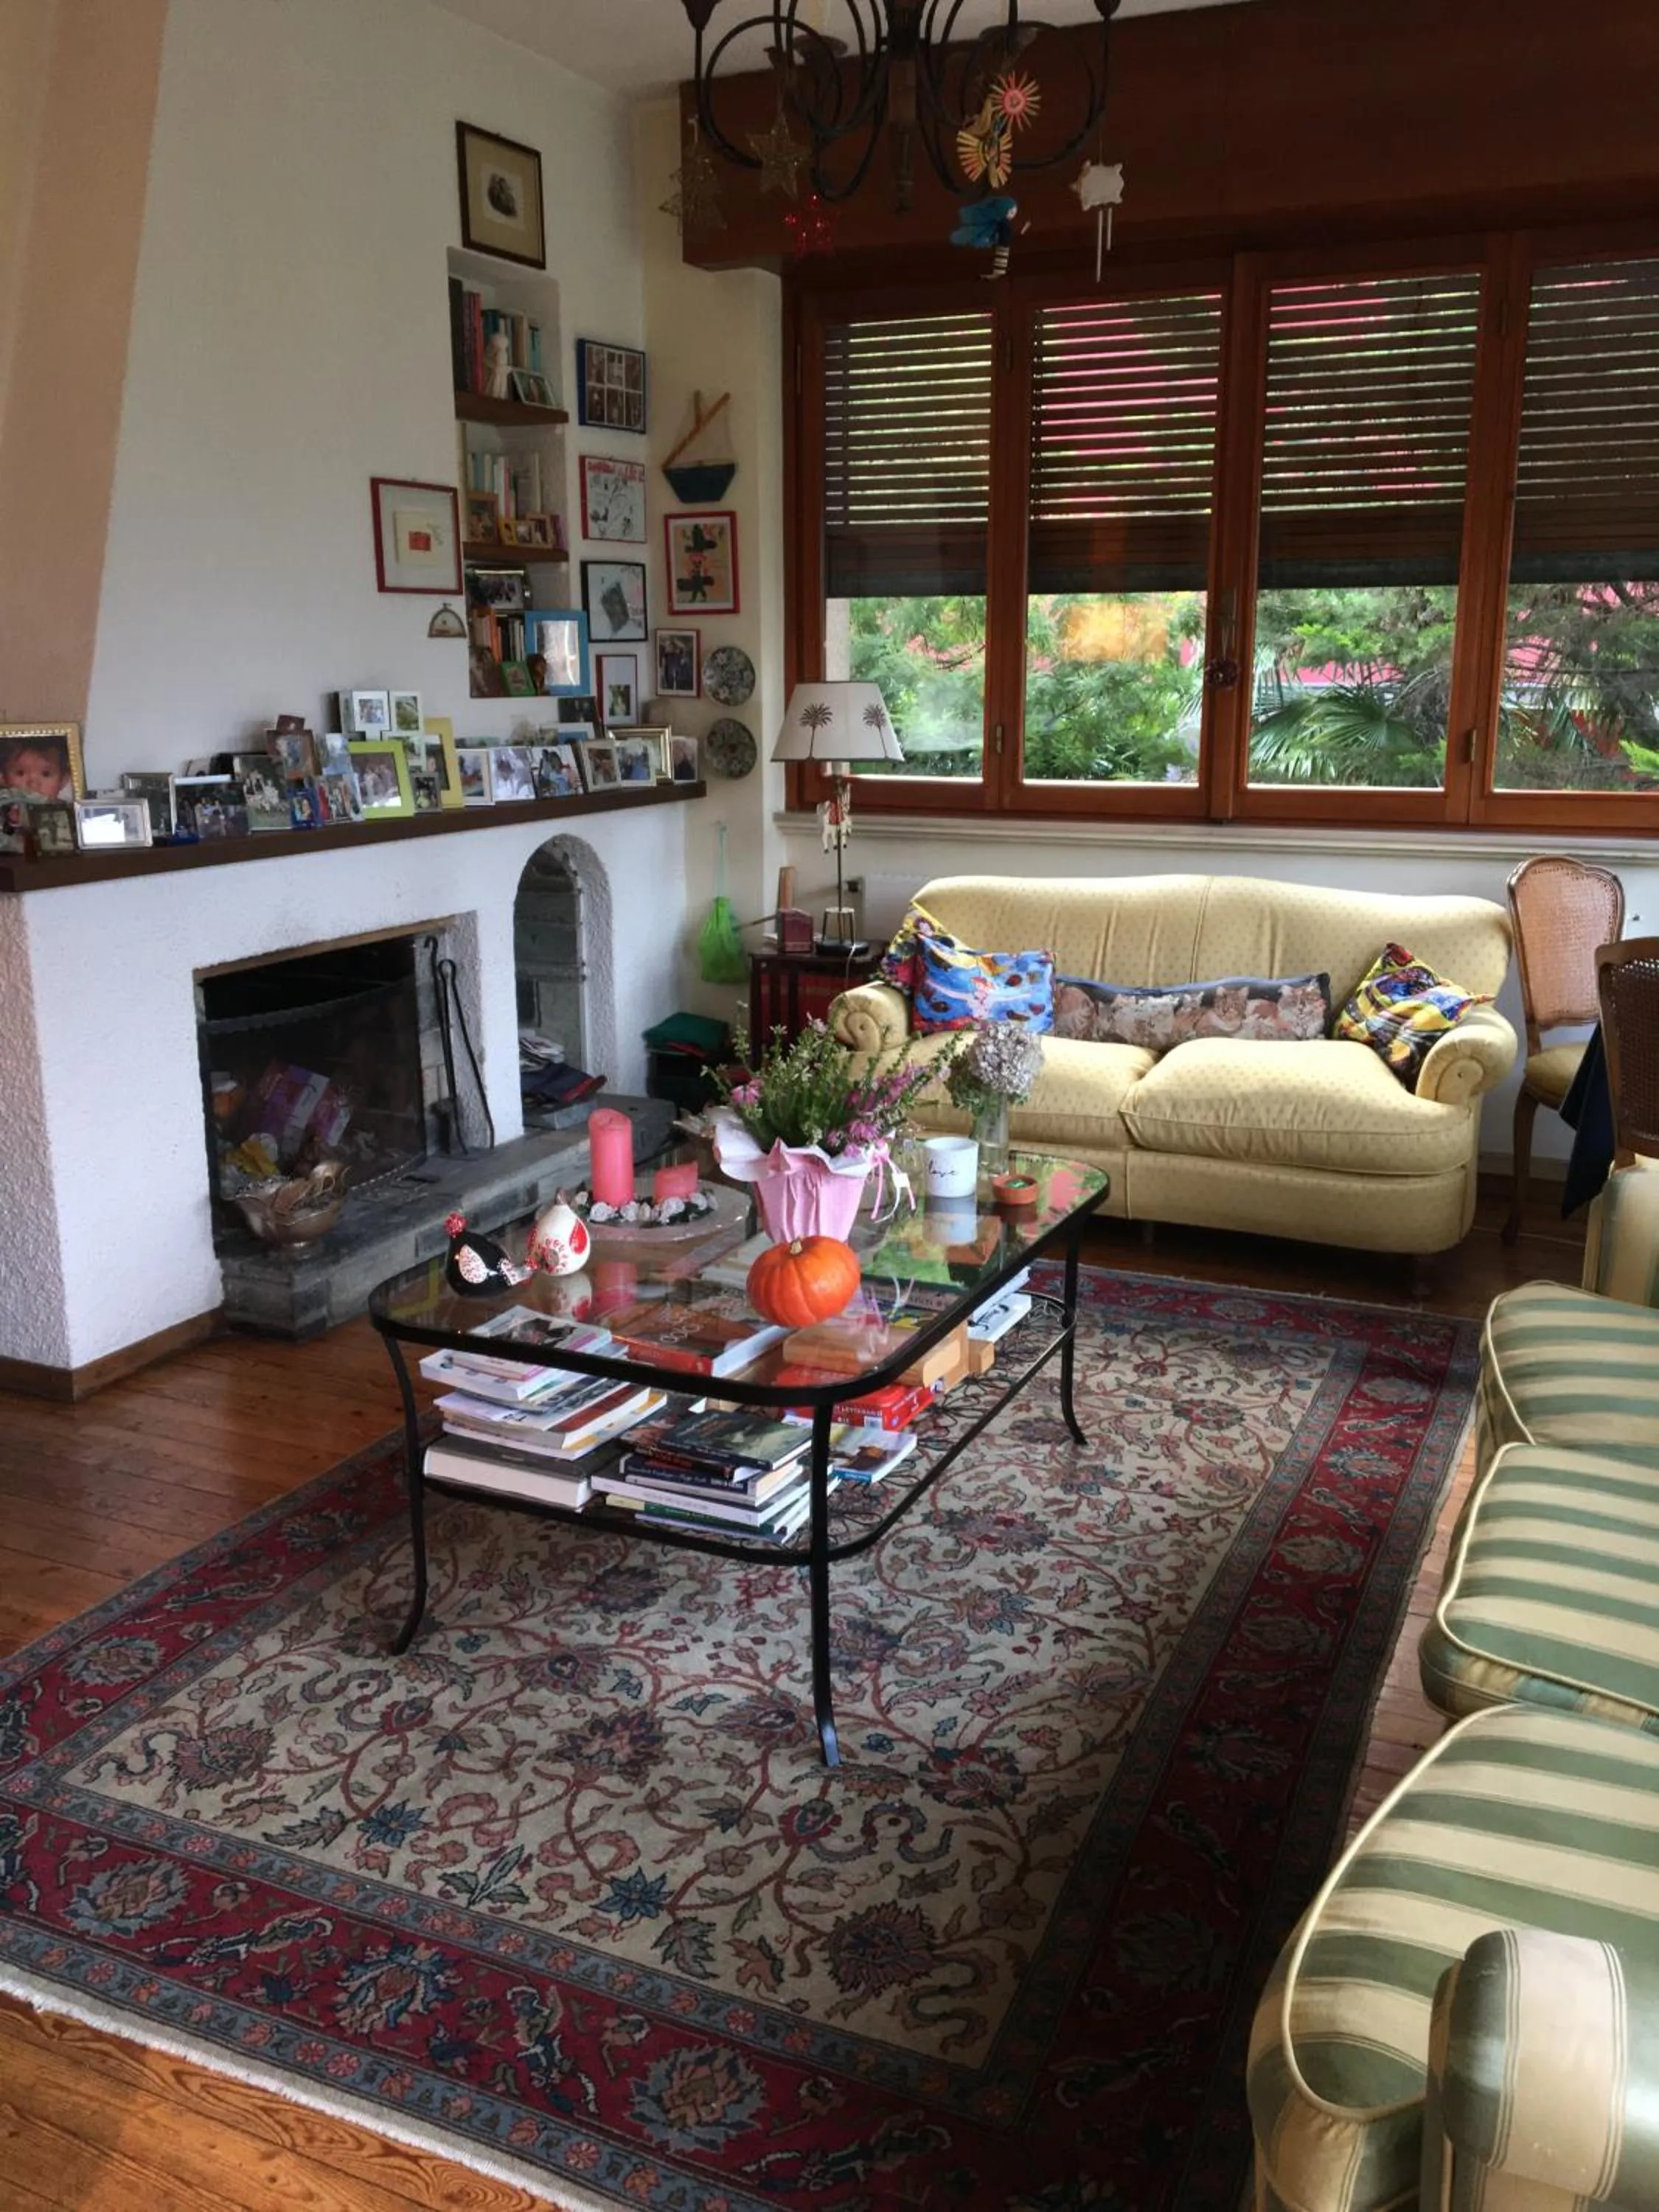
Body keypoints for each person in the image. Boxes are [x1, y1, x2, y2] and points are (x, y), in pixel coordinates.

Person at [0, 738, 69, 799]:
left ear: (63, 780)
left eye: (46, 774)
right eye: (21, 773)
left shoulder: (72, 811)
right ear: (2, 777)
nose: (33, 785)